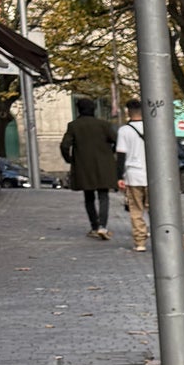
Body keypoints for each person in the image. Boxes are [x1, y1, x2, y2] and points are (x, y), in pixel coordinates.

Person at [59, 98, 118, 240]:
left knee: (89, 197)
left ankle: (94, 226)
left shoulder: (74, 126)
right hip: (104, 165)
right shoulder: (104, 125)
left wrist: (71, 160)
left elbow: (64, 145)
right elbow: (117, 140)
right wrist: (111, 154)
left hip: (83, 167)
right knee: (104, 196)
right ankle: (103, 226)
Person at [115, 99, 149, 251]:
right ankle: (161, 237)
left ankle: (140, 241)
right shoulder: (152, 128)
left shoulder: (124, 131)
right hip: (153, 176)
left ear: (128, 111)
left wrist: (119, 177)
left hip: (133, 175)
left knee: (136, 209)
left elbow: (121, 155)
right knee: (155, 209)